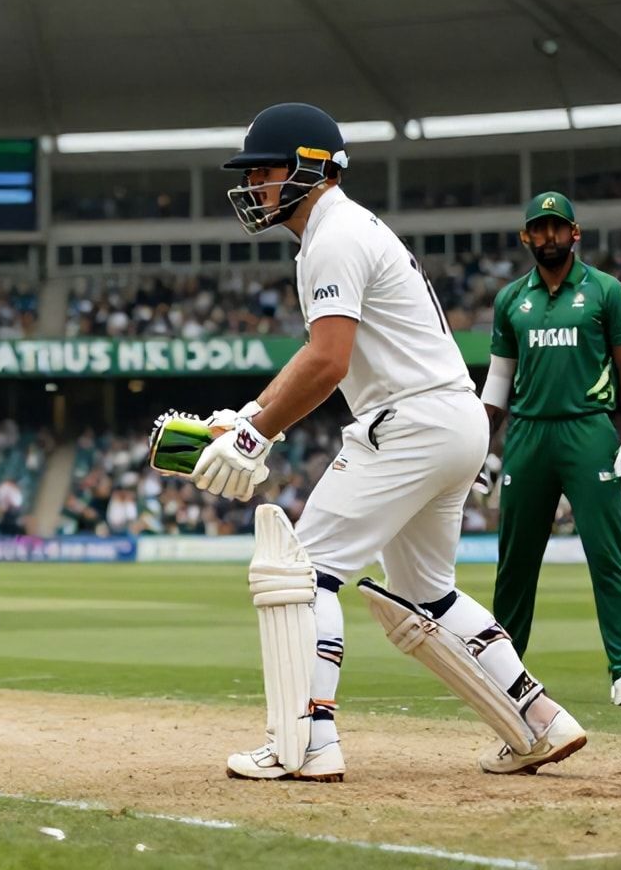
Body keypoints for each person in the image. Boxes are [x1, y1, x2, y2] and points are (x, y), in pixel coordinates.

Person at [166, 103, 585, 782]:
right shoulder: (344, 230)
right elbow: (321, 355)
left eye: (266, 170)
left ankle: (308, 743)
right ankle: (540, 720)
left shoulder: (331, 236)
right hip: (453, 419)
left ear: (311, 166)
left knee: (302, 573)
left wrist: (254, 432)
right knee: (429, 592)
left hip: (410, 421)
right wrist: (251, 412)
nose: (254, 186)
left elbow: (329, 361)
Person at [482, 192, 621, 706]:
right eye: (539, 228)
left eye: (557, 228)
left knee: (607, 555)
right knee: (515, 561)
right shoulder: (511, 299)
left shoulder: (604, 291)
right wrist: (480, 449)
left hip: (588, 429)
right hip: (527, 434)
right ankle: (503, 674)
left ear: (575, 234)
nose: (548, 236)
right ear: (525, 236)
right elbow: (498, 381)